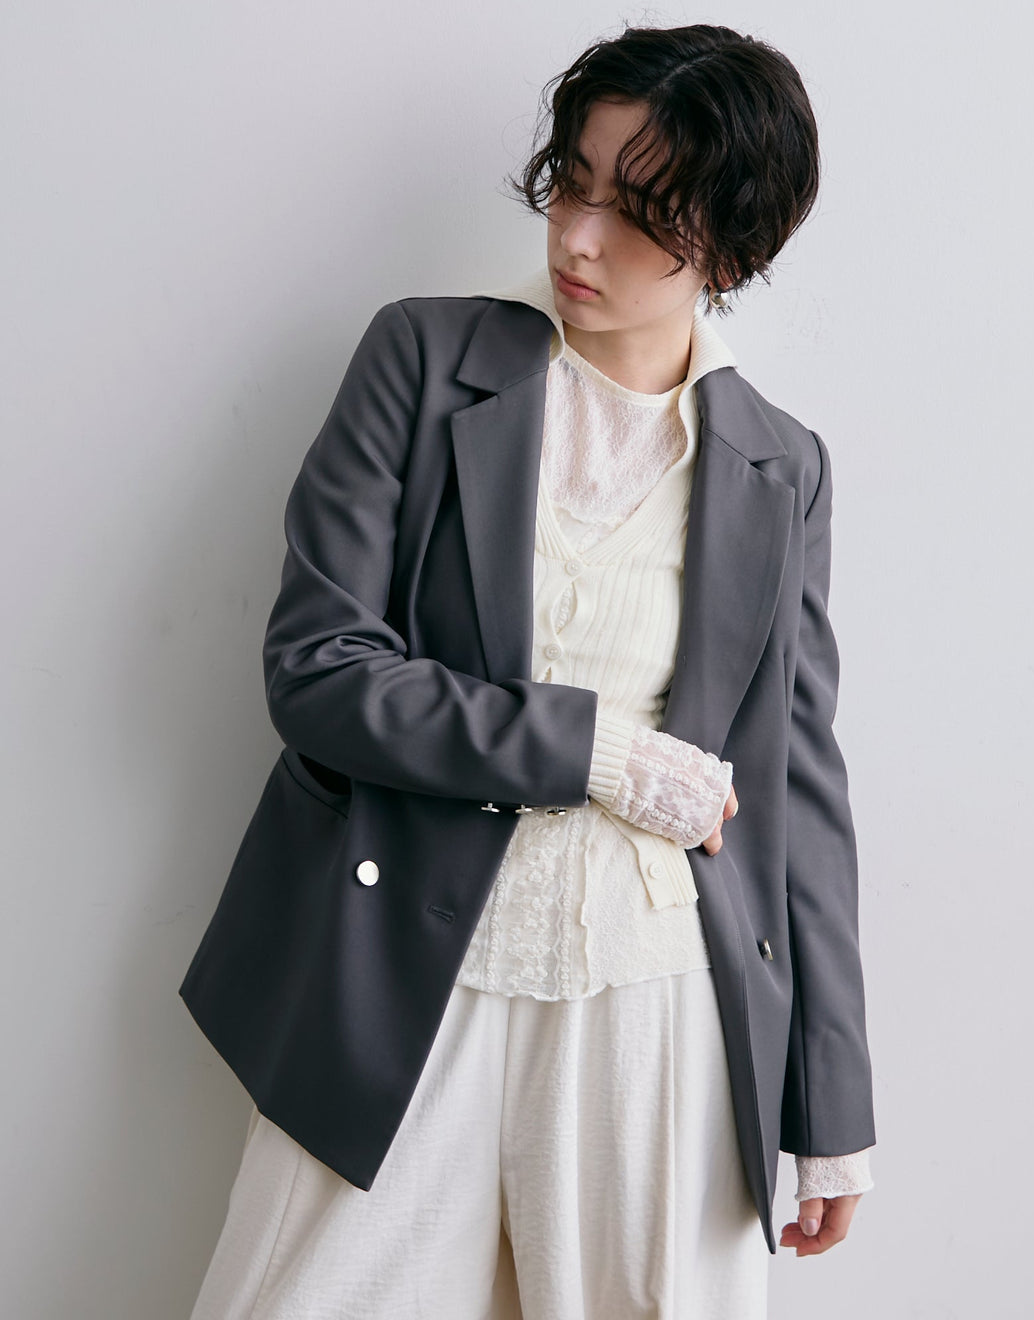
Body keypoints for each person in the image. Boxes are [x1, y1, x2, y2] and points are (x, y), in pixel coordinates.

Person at [181, 21, 876, 1319]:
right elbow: (320, 670)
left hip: (659, 989)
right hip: (406, 964)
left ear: (732, 247)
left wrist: (828, 1106)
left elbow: (797, 785)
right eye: (573, 183)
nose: (578, 239)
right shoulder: (423, 360)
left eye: (641, 213)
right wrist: (599, 752)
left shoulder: (781, 466)